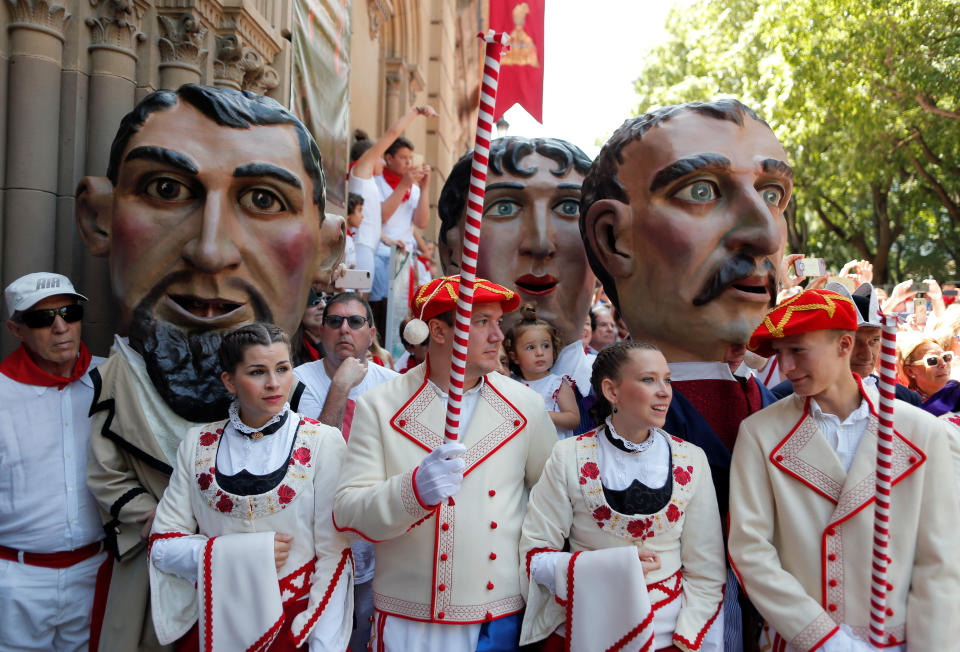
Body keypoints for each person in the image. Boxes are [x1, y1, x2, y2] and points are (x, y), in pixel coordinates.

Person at [75, 83, 343, 651]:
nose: (210, 249)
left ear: (327, 248)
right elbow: (120, 486)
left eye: (265, 200)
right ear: (98, 218)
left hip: (285, 614)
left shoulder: (322, 432)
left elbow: (334, 543)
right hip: (161, 602)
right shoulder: (121, 392)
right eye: (167, 189)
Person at [580, 98, 789, 651]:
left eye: (773, 196)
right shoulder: (589, 426)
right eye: (701, 191)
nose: (765, 233)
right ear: (613, 239)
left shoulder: (791, 409)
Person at [332, 275, 558, 652]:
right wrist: (413, 491)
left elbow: (552, 504)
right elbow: (348, 512)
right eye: (481, 322)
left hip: (496, 618)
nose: (498, 336)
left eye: (498, 323)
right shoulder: (380, 405)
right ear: (437, 330)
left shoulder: (527, 405)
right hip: (408, 622)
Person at [729, 288, 960, 650]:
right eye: (780, 353)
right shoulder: (759, 433)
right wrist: (826, 640)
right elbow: (750, 551)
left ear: (844, 344)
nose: (786, 366)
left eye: (798, 350)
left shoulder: (921, 431)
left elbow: (940, 558)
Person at [148, 323, 352, 650]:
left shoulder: (322, 442)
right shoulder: (197, 444)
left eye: (283, 369)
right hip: (215, 624)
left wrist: (323, 644)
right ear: (229, 381)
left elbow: (335, 556)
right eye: (258, 371)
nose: (273, 383)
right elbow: (162, 546)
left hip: (294, 627)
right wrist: (240, 555)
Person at [519, 341, 725, 651]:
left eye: (666, 379)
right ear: (611, 391)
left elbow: (706, 569)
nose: (664, 391)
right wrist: (612, 566)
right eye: (648, 379)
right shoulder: (568, 456)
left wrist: (688, 637)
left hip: (668, 636)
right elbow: (535, 557)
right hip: (587, 629)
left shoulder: (691, 458)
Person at [439, 137, 596, 395]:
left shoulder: (622, 397)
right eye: (504, 207)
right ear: (451, 252)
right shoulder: (417, 402)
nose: (541, 243)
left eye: (570, 207)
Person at [0, 273, 106, 651]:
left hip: (95, 572)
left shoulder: (113, 378)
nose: (61, 327)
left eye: (70, 313)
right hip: (16, 581)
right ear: (16, 328)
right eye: (42, 319)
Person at [294, 293, 397, 651]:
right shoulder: (296, 382)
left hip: (371, 527)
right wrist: (340, 385)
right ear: (321, 331)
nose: (344, 329)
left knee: (363, 629)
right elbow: (314, 455)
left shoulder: (393, 384)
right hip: (315, 524)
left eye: (355, 322)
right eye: (335, 321)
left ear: (371, 333)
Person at [770, 282, 923, 406]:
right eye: (855, 342)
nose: (867, 355)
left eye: (874, 340)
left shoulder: (905, 400)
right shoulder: (781, 399)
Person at [350, 107, 437, 297]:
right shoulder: (361, 174)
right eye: (379, 157)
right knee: (358, 302)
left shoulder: (369, 183)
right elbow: (392, 134)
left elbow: (372, 220)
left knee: (365, 306)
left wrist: (388, 240)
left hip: (371, 247)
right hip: (362, 249)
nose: (381, 161)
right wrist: (415, 112)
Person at [504, 304, 579, 438]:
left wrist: (544, 414)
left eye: (545, 346)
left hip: (553, 451)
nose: (540, 353)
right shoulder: (513, 382)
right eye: (530, 347)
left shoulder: (557, 384)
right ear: (514, 356)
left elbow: (573, 419)